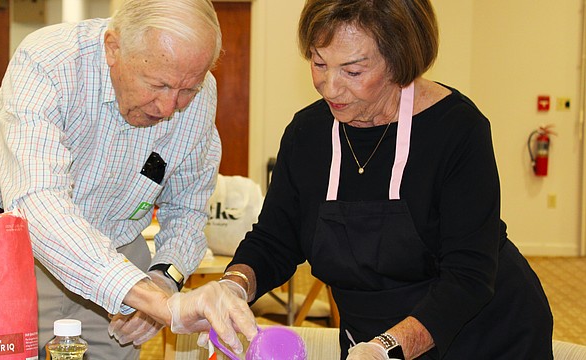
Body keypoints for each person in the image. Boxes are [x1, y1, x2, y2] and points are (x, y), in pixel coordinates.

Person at [217, 0, 555, 359]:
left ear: (399, 62)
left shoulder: (457, 130)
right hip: (370, 340)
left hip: (484, 338)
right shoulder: (307, 134)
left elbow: (468, 277)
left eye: (353, 71)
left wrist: (387, 349)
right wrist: (234, 285)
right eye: (318, 64)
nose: (329, 88)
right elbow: (274, 240)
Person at [0, 0, 257, 359]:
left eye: (186, 91)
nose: (169, 108)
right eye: (158, 84)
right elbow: (37, 202)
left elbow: (187, 209)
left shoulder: (198, 90)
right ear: (113, 48)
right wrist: (153, 300)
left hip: (119, 250)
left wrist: (163, 278)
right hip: (16, 253)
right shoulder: (50, 61)